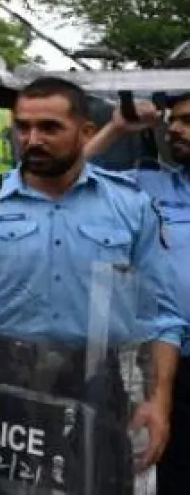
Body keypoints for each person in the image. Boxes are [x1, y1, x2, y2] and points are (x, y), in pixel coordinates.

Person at [0, 78, 182, 493]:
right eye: (23, 127)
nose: (32, 139)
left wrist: (158, 400)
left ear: (87, 132)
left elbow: (162, 312)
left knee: (93, 483)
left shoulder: (130, 205)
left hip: (93, 381)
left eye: (49, 127)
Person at [85, 92, 190, 494]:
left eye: (187, 121)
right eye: (173, 120)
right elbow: (69, 176)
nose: (174, 129)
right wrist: (116, 129)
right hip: (167, 360)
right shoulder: (150, 184)